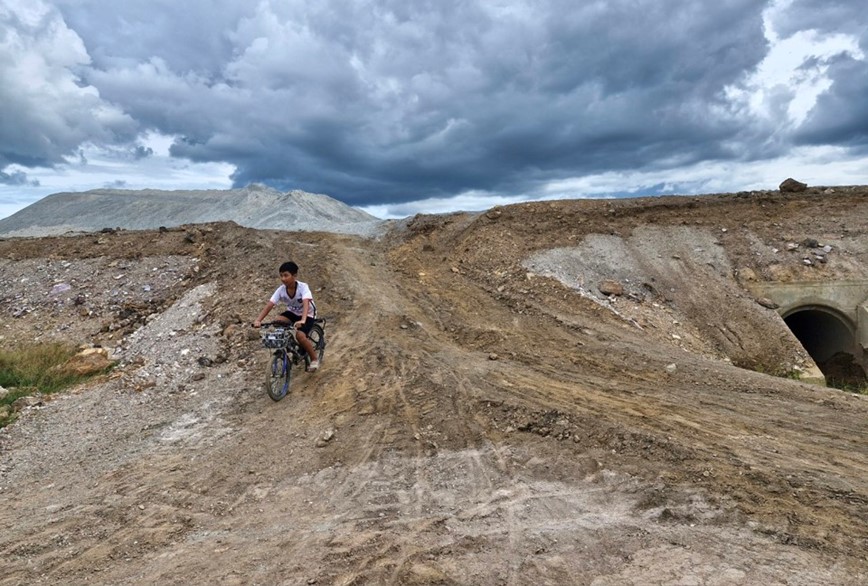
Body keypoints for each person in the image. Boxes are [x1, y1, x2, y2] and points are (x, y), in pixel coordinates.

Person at [253, 261, 319, 371]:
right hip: (292, 313)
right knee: (277, 322)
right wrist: (258, 320)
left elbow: (306, 303)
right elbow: (270, 305)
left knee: (300, 335)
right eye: (281, 276)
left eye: (286, 275)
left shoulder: (303, 287)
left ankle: (314, 359)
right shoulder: (281, 290)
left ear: (294, 276)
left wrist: (303, 320)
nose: (283, 278)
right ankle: (292, 346)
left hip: (307, 314)